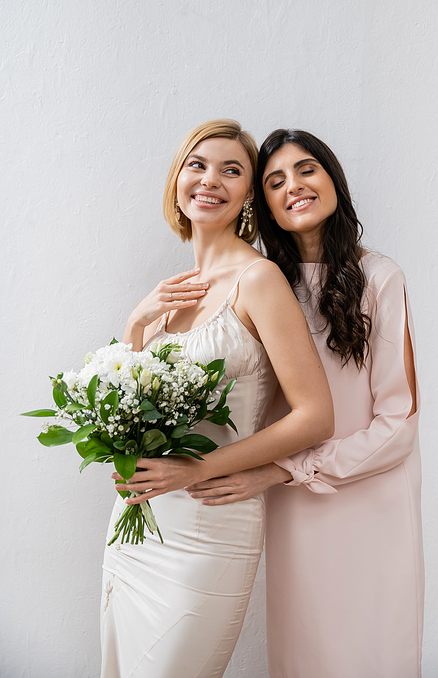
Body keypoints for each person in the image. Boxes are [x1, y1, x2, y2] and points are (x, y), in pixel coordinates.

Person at [100, 121, 334, 678]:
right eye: (198, 165)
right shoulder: (171, 290)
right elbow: (124, 405)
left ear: (249, 198)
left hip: (208, 525)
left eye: (232, 171)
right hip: (135, 526)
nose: (210, 180)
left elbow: (316, 416)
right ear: (178, 178)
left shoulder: (259, 280)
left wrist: (192, 470)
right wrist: (135, 324)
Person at [187, 129, 424, 678]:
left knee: (372, 652)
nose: (293, 186)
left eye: (307, 170)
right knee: (304, 656)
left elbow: (399, 425)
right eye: (275, 181)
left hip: (371, 501)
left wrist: (284, 470)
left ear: (333, 178)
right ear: (261, 203)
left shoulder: (381, 277)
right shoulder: (263, 284)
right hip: (291, 508)